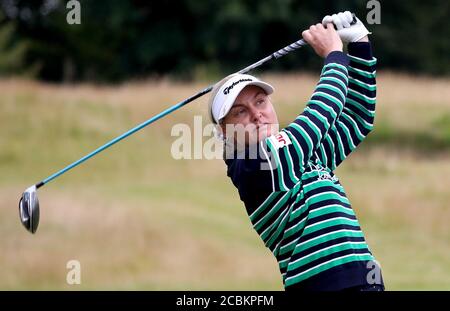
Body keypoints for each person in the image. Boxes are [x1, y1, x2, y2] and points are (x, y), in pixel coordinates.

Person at [207, 12, 383, 291]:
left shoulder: (305, 158)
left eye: (260, 101)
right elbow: (318, 115)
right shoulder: (252, 165)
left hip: (364, 282)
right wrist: (334, 55)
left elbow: (358, 117)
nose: (257, 115)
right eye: (240, 111)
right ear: (226, 133)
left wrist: (360, 42)